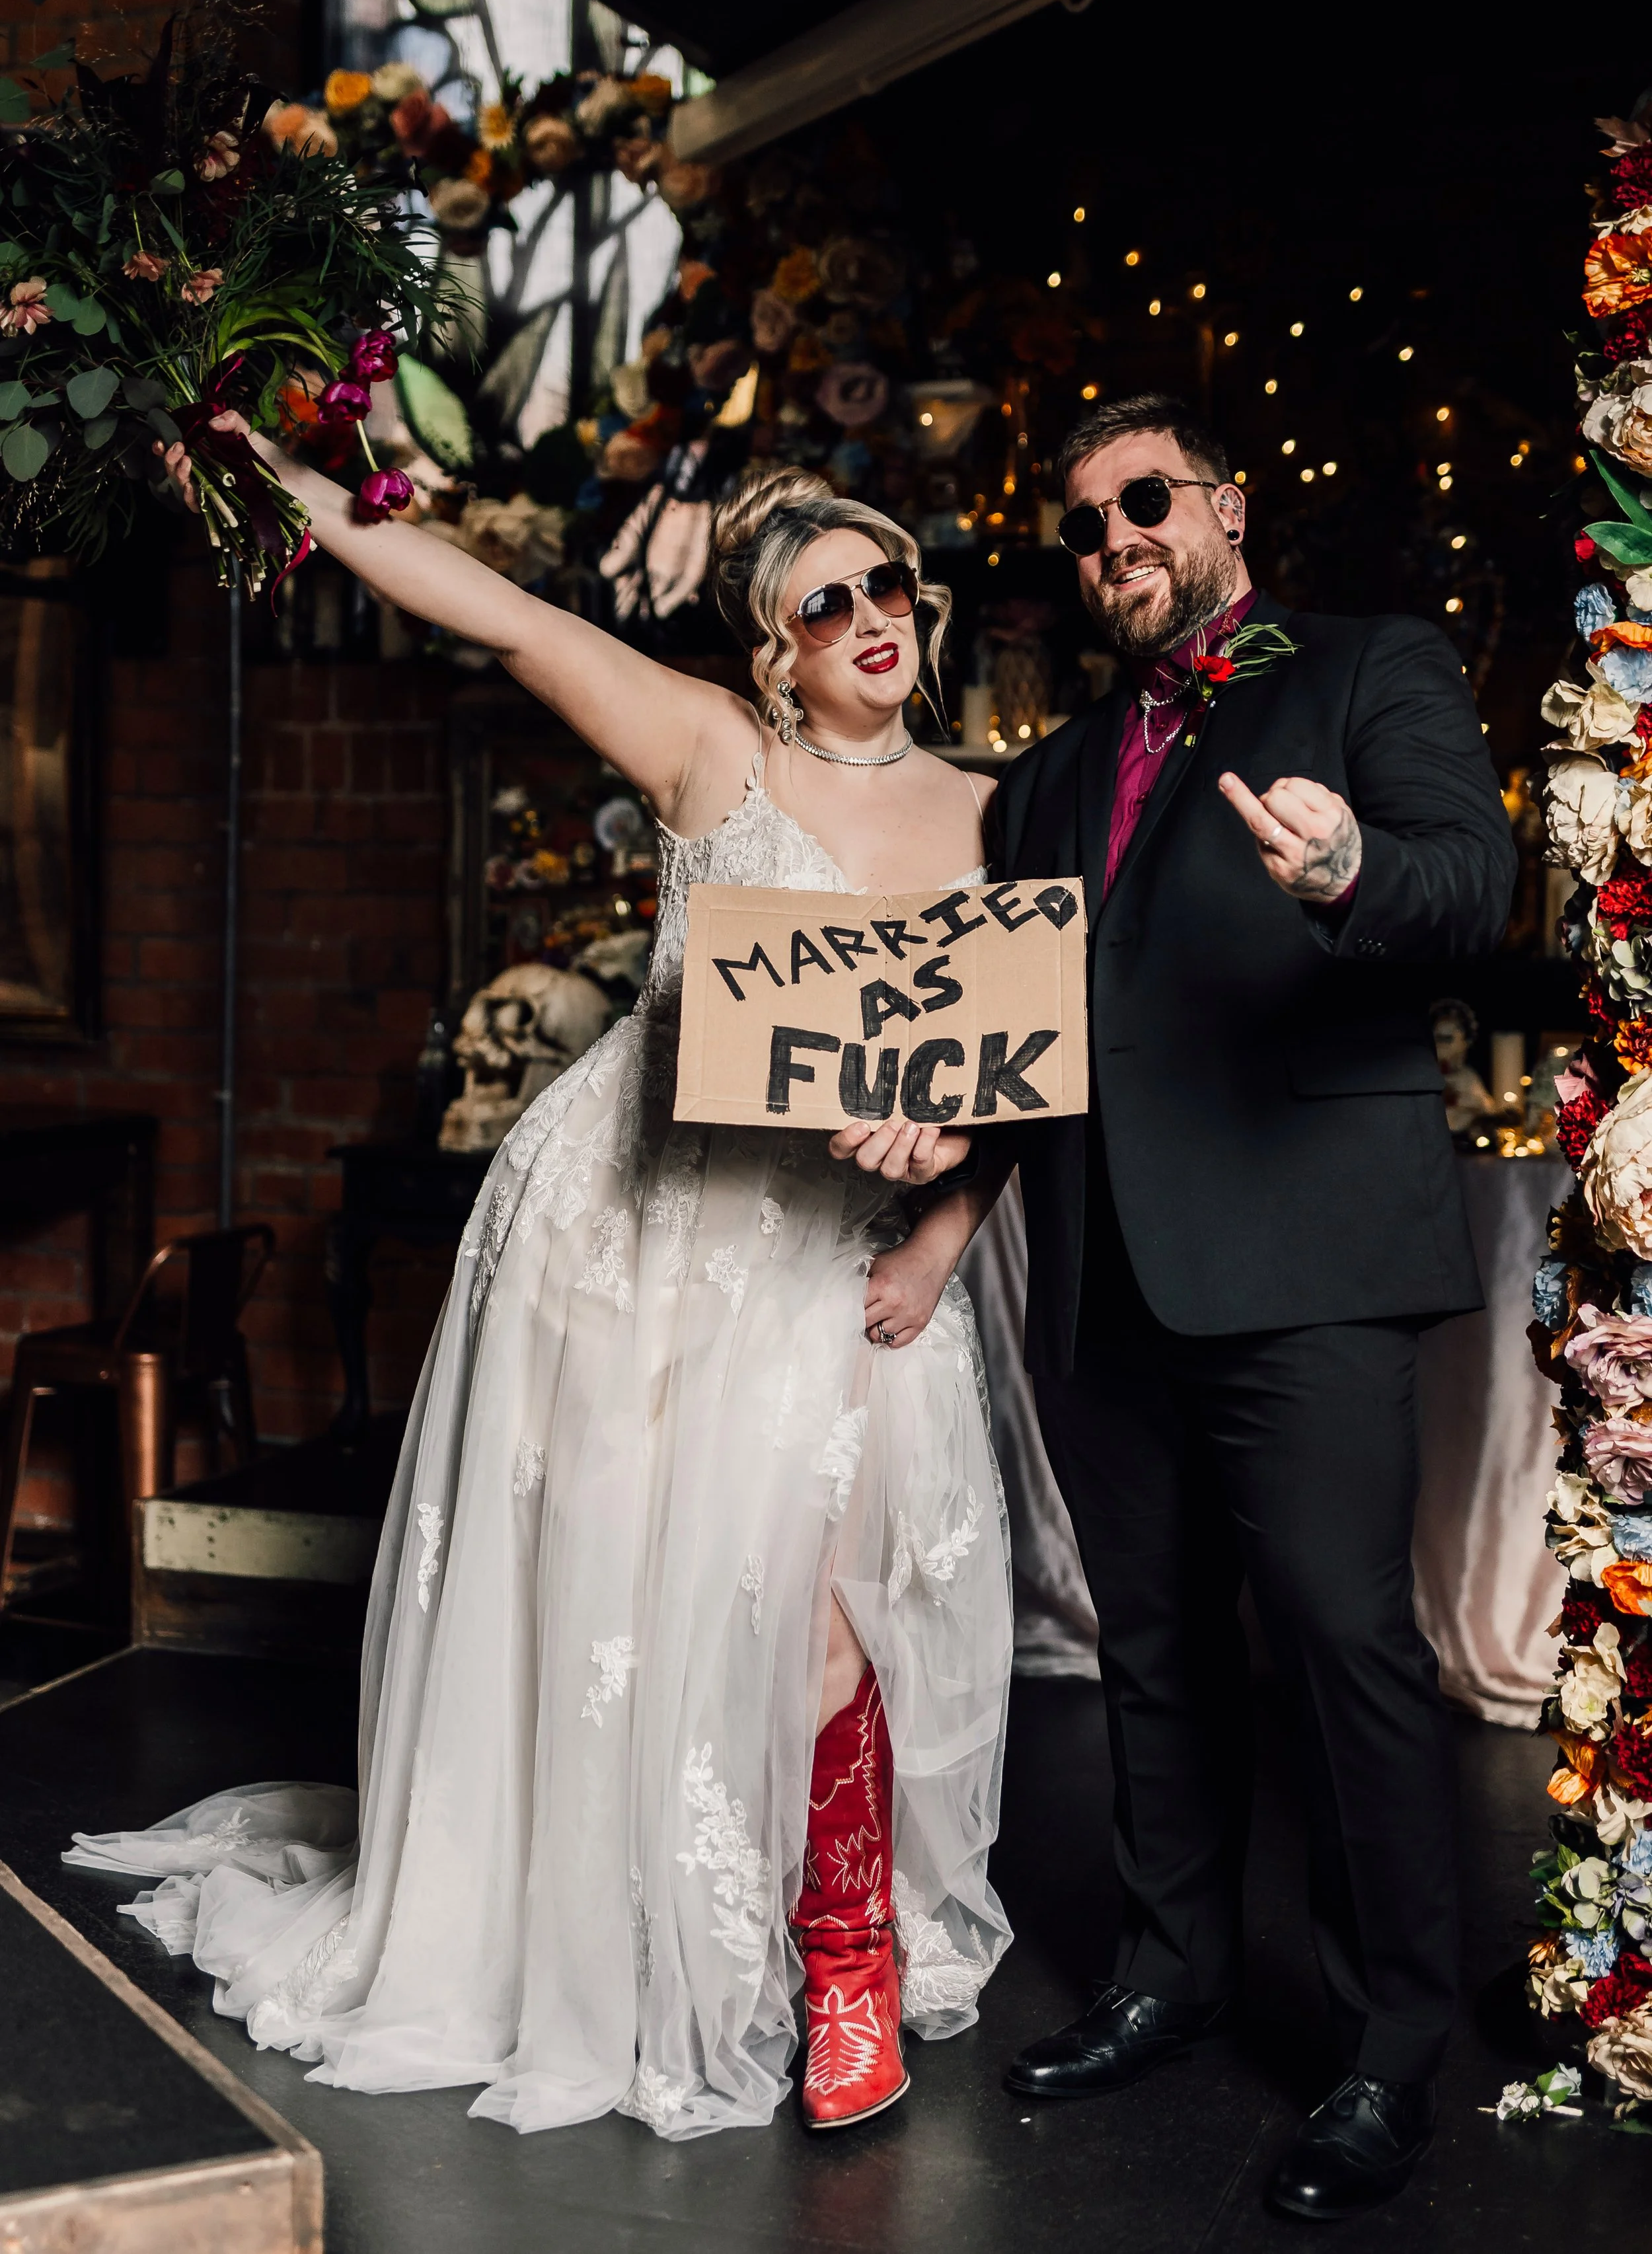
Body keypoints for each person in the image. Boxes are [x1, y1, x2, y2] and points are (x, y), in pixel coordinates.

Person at [65, 431, 1014, 2142]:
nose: (874, 613)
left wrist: (945, 1227)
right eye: (828, 601)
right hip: (635, 1231)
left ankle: (845, 1956)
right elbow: (495, 614)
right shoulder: (710, 746)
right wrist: (285, 480)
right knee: (619, 1587)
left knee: (825, 1599)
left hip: (833, 1251)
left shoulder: (986, 812)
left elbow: (1024, 1067)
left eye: (889, 582)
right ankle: (597, 1936)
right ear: (773, 652)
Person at [986, 391, 1517, 2222]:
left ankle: (1388, 2048)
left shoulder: (1369, 669)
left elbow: (1472, 882)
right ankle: (1169, 1971)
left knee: (1342, 1639)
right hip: (1108, 1264)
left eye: (1144, 499)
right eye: (1081, 524)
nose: (1114, 539)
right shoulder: (1044, 779)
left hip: (1304, 1257)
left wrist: (1350, 867)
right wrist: (928, 1130)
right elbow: (1013, 1030)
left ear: (1223, 505)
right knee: (1152, 1646)